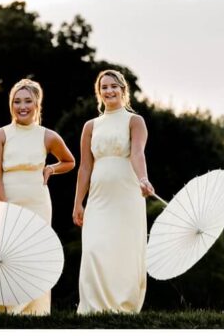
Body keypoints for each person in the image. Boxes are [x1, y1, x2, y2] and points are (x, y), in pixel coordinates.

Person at [0, 78, 75, 315]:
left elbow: (69, 161)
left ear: (37, 104)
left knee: (34, 252)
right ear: (10, 104)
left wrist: (51, 169)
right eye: (16, 101)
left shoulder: (48, 136)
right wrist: (4, 202)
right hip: (6, 198)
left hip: (37, 202)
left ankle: (33, 311)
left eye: (27, 101)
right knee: (4, 253)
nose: (22, 106)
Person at [73, 69, 155, 314]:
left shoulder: (134, 121)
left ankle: (122, 307)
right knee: (94, 247)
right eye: (104, 87)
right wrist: (78, 202)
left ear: (122, 89)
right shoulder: (90, 126)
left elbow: (138, 153)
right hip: (98, 196)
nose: (109, 91)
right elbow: (85, 167)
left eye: (113, 86)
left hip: (127, 193)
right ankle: (94, 306)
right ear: (99, 93)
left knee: (124, 249)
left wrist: (143, 179)